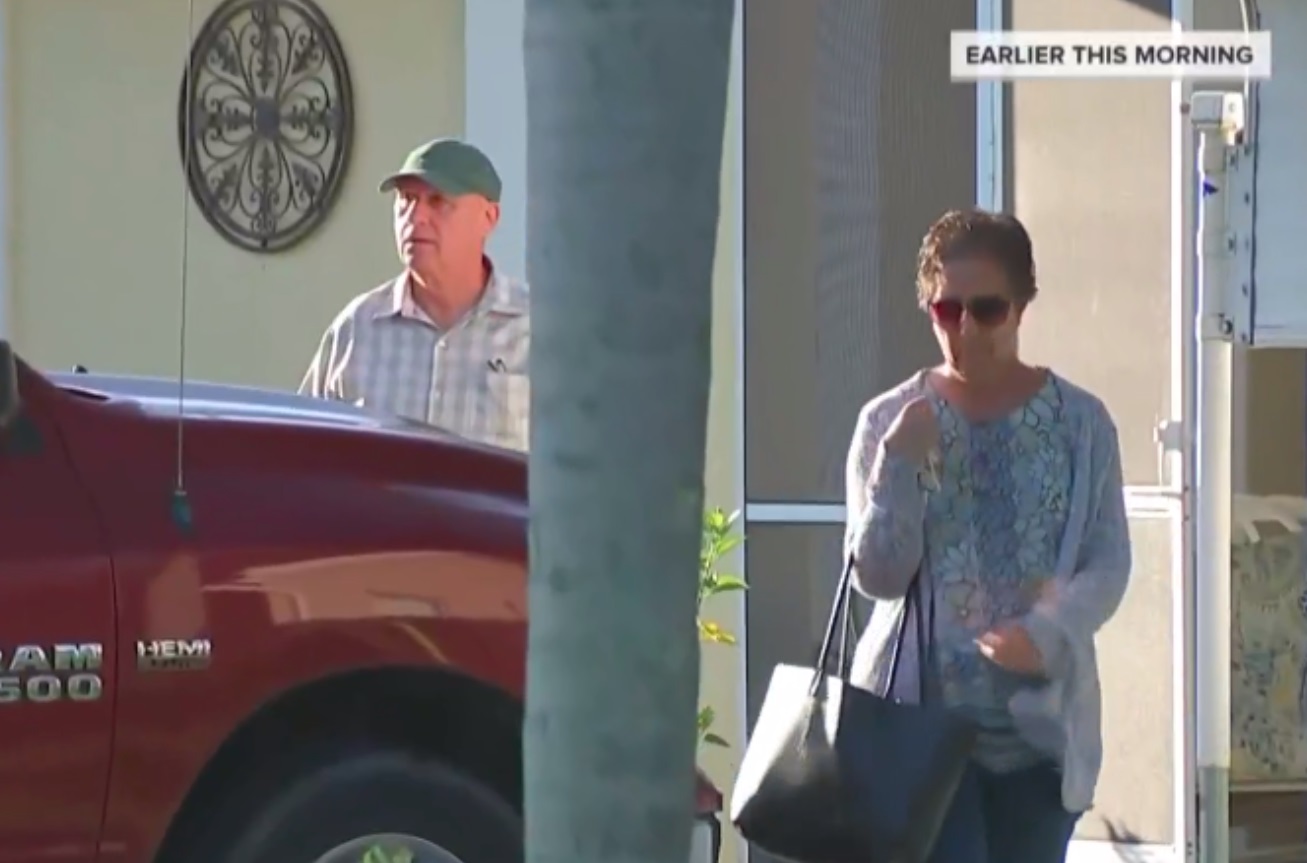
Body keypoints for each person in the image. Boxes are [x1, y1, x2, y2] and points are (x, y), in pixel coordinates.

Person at [843, 209, 1131, 863]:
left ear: (1022, 305)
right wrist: (897, 464)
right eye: (947, 311)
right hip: (917, 729)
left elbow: (1107, 558)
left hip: (1041, 735)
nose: (965, 329)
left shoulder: (1078, 424)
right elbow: (876, 576)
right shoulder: (890, 420)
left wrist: (1049, 629)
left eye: (987, 308)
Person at [299, 137, 529, 451]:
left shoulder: (536, 331)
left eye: (437, 201)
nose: (416, 217)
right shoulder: (357, 329)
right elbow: (309, 451)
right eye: (406, 199)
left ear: (489, 217)